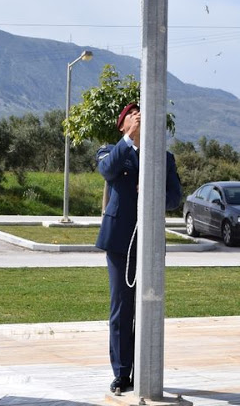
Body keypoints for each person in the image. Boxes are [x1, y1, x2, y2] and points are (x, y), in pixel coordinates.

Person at [96, 103, 181, 394]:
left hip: (150, 243)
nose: (139, 119)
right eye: (132, 116)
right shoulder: (110, 150)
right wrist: (129, 138)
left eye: (142, 116)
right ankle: (122, 374)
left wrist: (154, 191)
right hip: (120, 242)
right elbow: (107, 171)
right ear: (122, 125)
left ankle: (145, 368)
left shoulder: (163, 158)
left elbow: (174, 199)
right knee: (121, 309)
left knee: (148, 307)